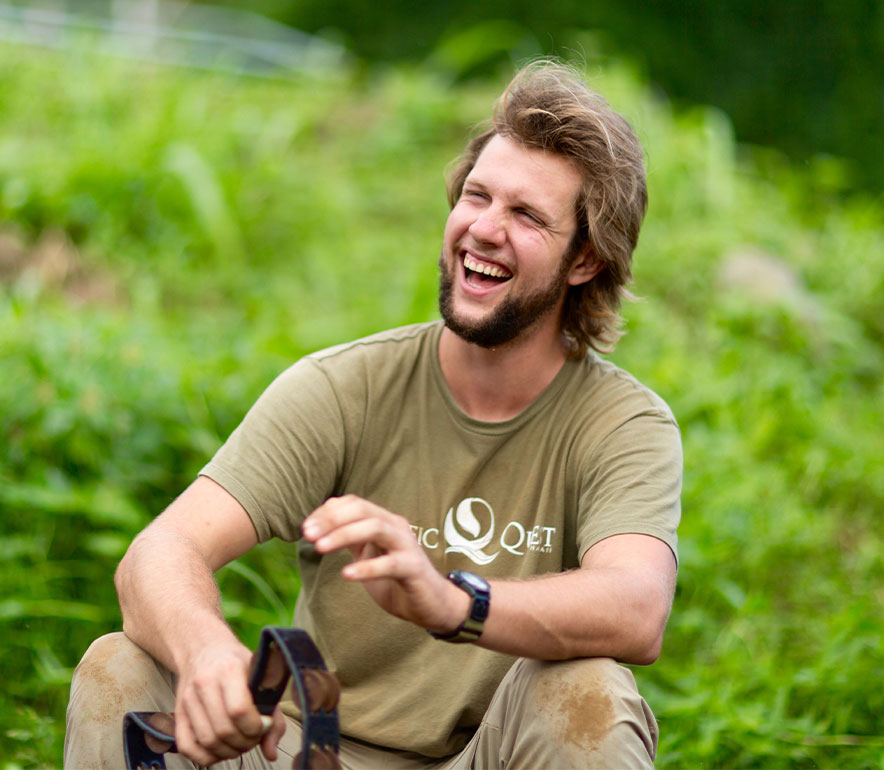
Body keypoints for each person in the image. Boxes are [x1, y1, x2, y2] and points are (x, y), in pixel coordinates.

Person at [65, 59, 681, 769]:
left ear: (585, 261)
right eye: (476, 196)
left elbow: (636, 607)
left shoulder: (621, 424)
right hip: (303, 752)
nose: (483, 228)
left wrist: (453, 603)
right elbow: (159, 553)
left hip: (481, 758)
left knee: (591, 689)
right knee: (119, 667)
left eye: (526, 215)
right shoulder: (344, 386)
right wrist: (206, 655)